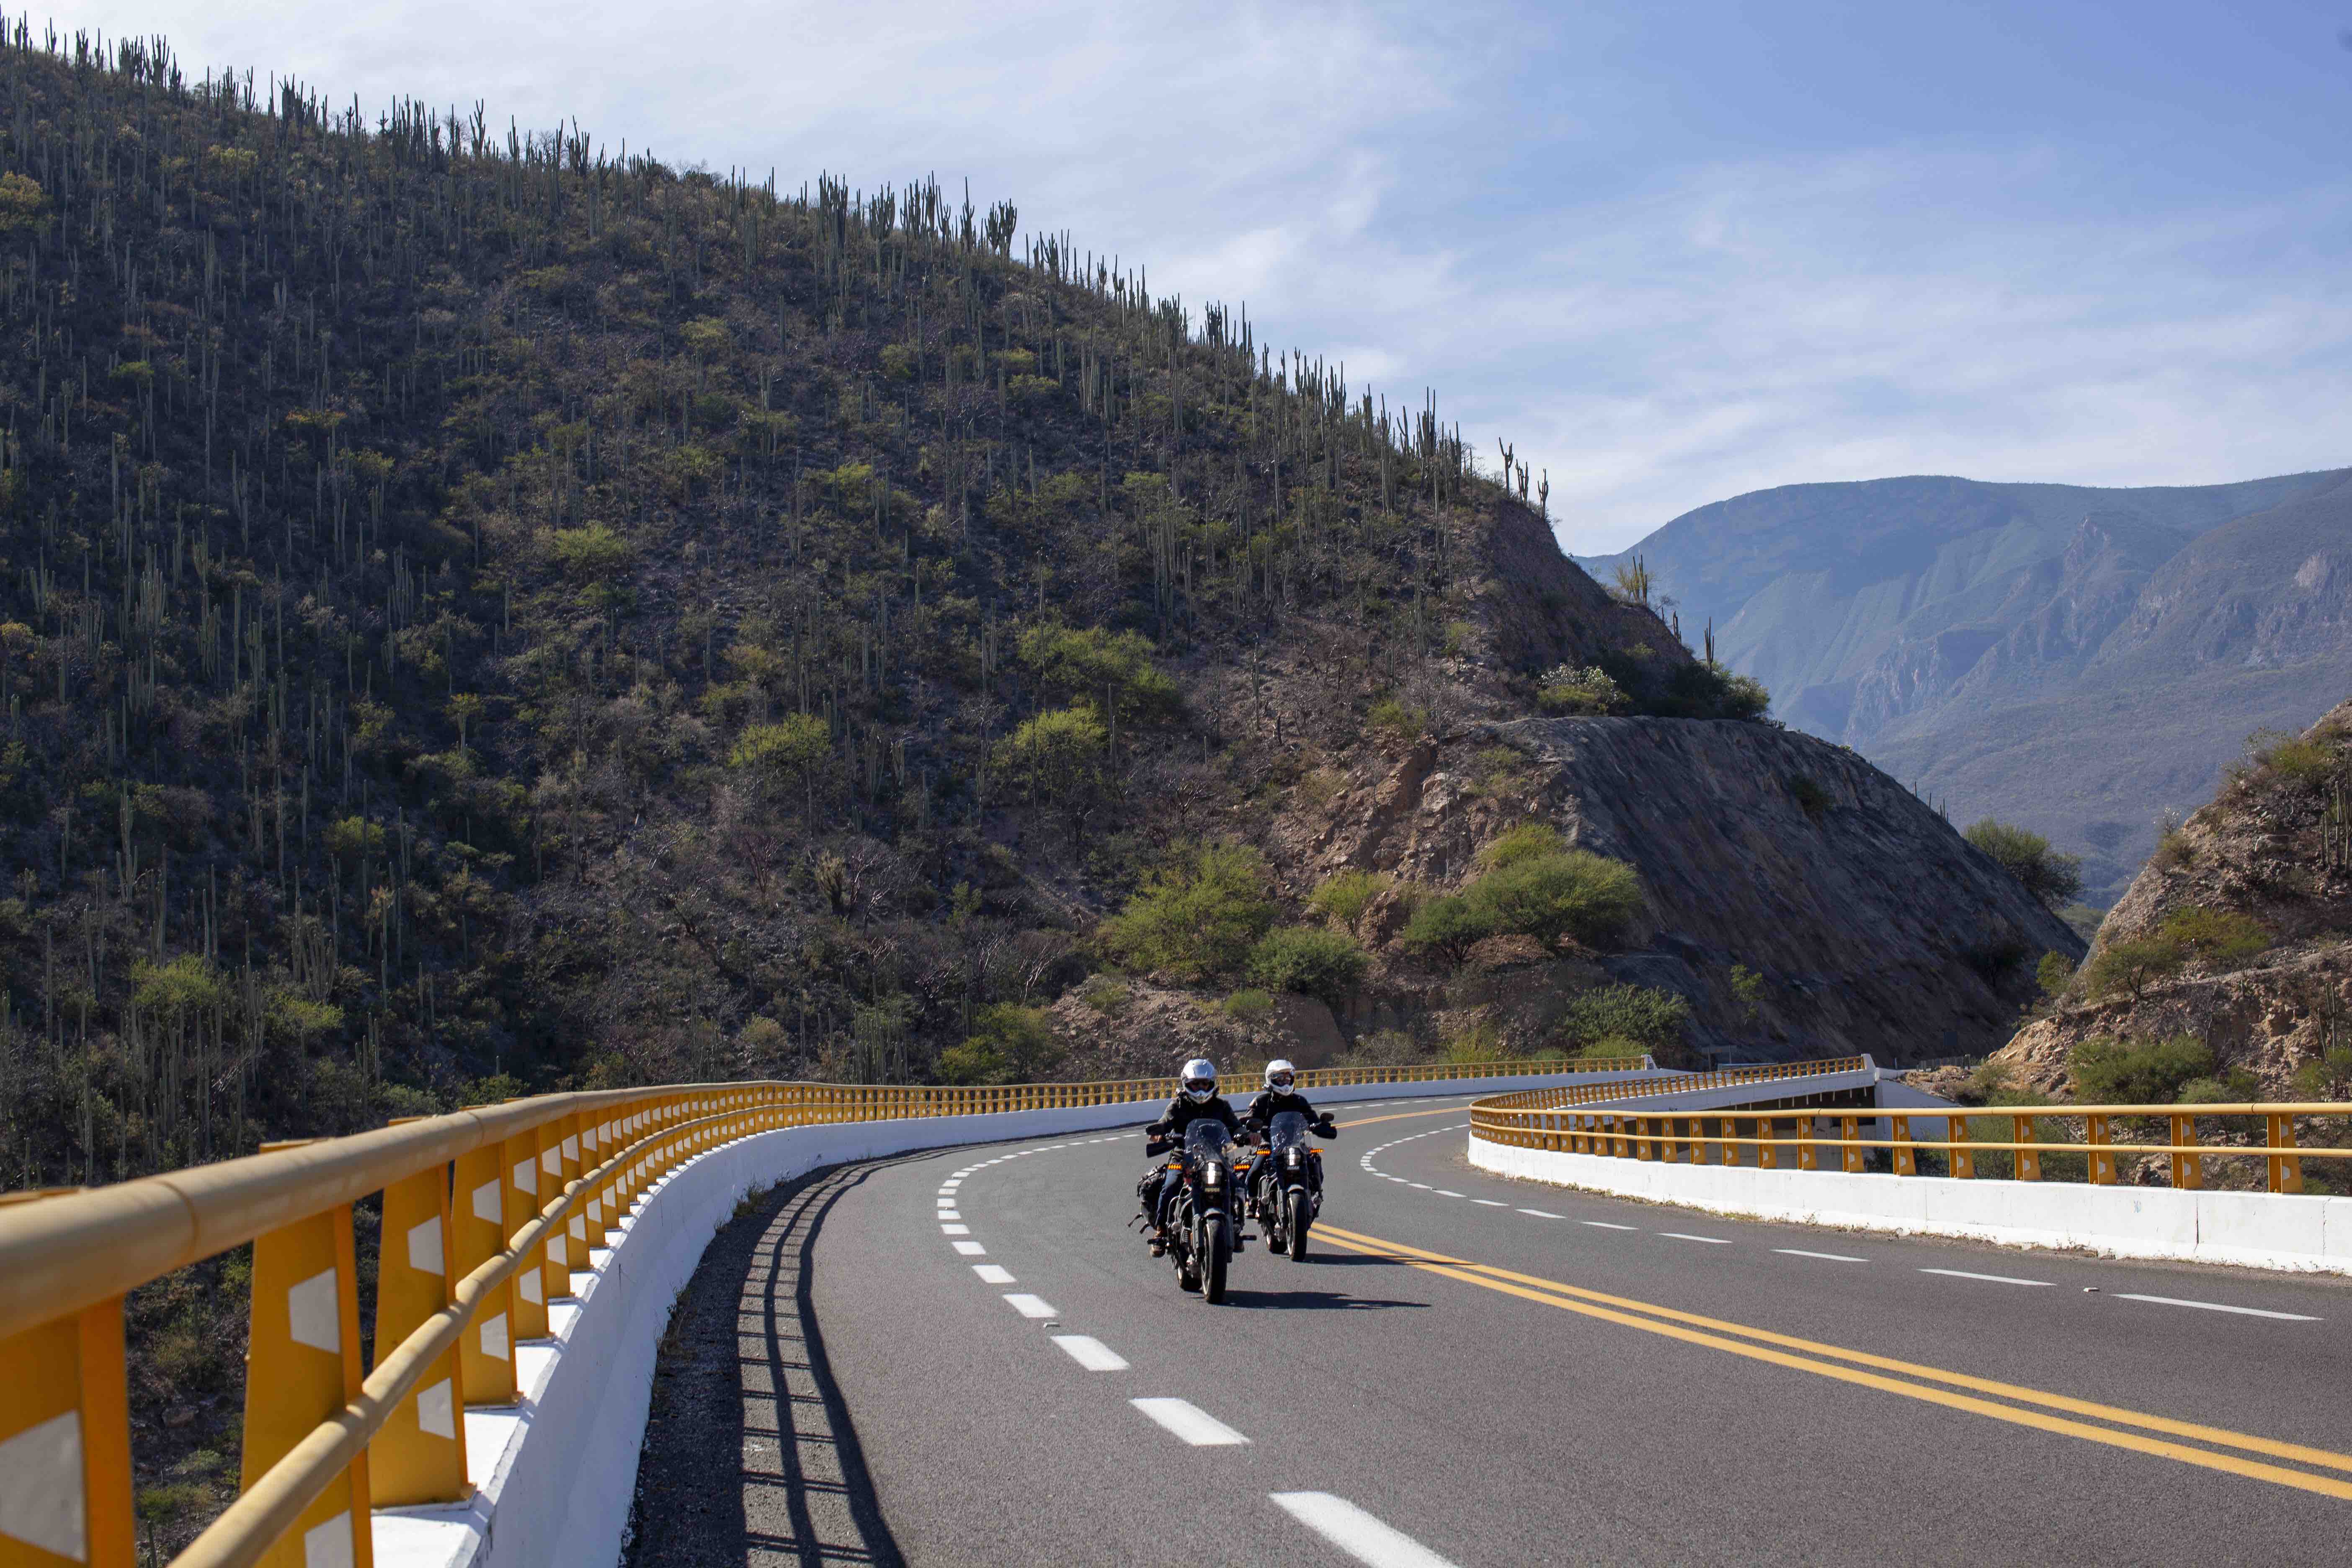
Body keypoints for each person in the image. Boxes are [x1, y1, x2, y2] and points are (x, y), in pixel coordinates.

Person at [1138, 1058, 1244, 1253]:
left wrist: (1245, 1134)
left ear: (1212, 1083)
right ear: (1186, 1083)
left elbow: (1235, 1125)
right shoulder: (1178, 1105)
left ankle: (1236, 1227)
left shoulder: (1222, 1106)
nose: (1201, 1088)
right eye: (1196, 1084)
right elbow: (1165, 1122)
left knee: (1237, 1186)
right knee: (1170, 1186)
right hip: (1183, 1157)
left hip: (1216, 1157)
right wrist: (1159, 1132)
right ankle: (1161, 1231)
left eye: (1205, 1083)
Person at [1241, 1059, 1336, 1214]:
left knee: (1314, 1162)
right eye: (1280, 1078)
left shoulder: (1299, 1101)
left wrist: (1320, 1126)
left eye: (1287, 1078)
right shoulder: (1261, 1101)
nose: (1285, 1081)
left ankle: (1315, 1194)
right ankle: (1252, 1202)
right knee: (1255, 1171)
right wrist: (1250, 1129)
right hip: (1269, 1145)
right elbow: (1248, 1119)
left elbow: (1312, 1118)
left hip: (1296, 1144)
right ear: (1271, 1079)